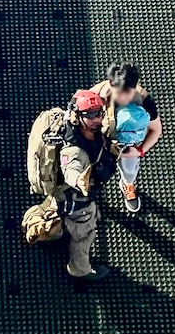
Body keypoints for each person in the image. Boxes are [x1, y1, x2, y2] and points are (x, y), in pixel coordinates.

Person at [23, 89, 116, 280]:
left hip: (64, 196)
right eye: (90, 115)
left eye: (99, 112)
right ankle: (79, 270)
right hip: (76, 199)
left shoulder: (87, 130)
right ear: (78, 116)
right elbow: (70, 168)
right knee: (84, 233)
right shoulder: (73, 150)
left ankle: (47, 228)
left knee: (55, 210)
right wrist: (80, 182)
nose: (96, 118)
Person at [91, 62, 162, 214]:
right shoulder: (99, 94)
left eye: (127, 93)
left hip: (127, 145)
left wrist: (139, 151)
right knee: (92, 167)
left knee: (130, 171)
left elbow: (156, 130)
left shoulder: (145, 102)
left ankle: (128, 184)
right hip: (101, 139)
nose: (122, 97)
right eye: (118, 91)